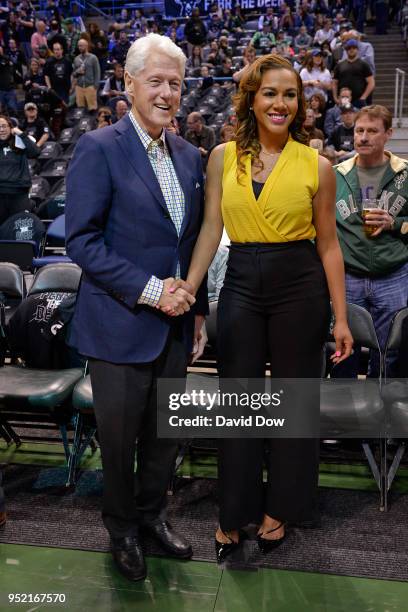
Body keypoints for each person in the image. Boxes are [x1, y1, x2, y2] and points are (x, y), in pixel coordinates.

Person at [174, 54, 352, 561]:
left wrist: (340, 317)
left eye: (290, 94)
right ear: (252, 98)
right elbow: (211, 229)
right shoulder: (221, 157)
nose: (280, 103)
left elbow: (329, 245)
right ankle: (235, 513)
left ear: (300, 104)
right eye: (270, 93)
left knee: (295, 404)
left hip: (300, 284)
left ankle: (281, 511)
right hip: (242, 285)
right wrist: (190, 288)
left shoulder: (317, 165)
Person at [65, 33, 208, 583]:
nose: (168, 93)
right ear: (128, 84)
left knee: (164, 435)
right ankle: (121, 527)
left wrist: (196, 307)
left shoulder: (191, 154)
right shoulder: (99, 147)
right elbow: (82, 240)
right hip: (119, 323)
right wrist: (152, 289)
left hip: (174, 326)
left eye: (175, 83)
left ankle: (153, 517)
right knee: (120, 440)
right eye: (156, 81)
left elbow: (196, 239)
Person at [333, 105, 408, 378]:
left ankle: (382, 408)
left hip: (393, 276)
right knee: (343, 347)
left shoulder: (405, 174)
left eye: (372, 131)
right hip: (348, 276)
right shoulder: (335, 174)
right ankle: (344, 409)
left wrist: (395, 224)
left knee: (388, 350)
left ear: (388, 134)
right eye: (359, 130)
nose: (363, 137)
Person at [0, 114, 41, 225]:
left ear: (10, 128)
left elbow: (35, 152)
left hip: (19, 194)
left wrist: (20, 133)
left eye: (4, 126)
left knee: (19, 228)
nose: (1, 130)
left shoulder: (19, 142)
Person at [332, 39, 375, 108]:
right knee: (343, 118)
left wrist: (363, 97)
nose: (351, 50)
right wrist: (335, 98)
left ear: (357, 49)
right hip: (344, 99)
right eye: (349, 48)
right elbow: (334, 83)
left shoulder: (364, 64)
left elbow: (371, 82)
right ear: (346, 50)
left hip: (359, 100)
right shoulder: (340, 65)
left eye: (354, 48)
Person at [72, 38, 100, 112]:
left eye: (81, 46)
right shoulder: (76, 59)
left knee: (92, 109)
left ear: (86, 46)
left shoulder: (93, 58)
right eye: (79, 46)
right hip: (79, 87)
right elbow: (73, 74)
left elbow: (97, 72)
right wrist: (77, 72)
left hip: (90, 86)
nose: (80, 48)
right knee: (80, 109)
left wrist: (95, 86)